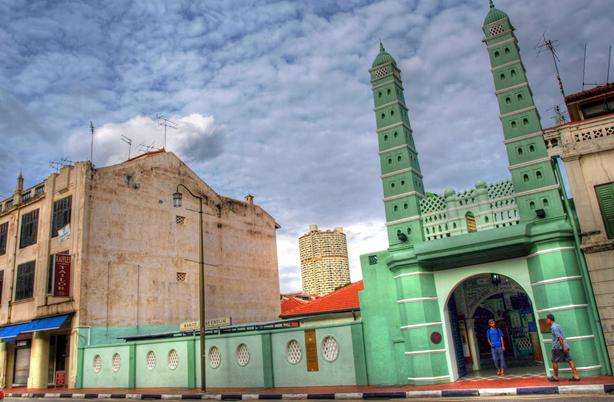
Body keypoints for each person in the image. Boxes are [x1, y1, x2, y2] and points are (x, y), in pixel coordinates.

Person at [547, 314, 580, 381]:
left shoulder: (554, 327)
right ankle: (576, 376)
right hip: (564, 345)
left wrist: (563, 347)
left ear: (549, 319)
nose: (546, 321)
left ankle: (555, 377)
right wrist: (565, 346)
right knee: (569, 360)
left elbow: (560, 338)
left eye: (547, 319)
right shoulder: (558, 325)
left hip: (558, 347)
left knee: (554, 361)